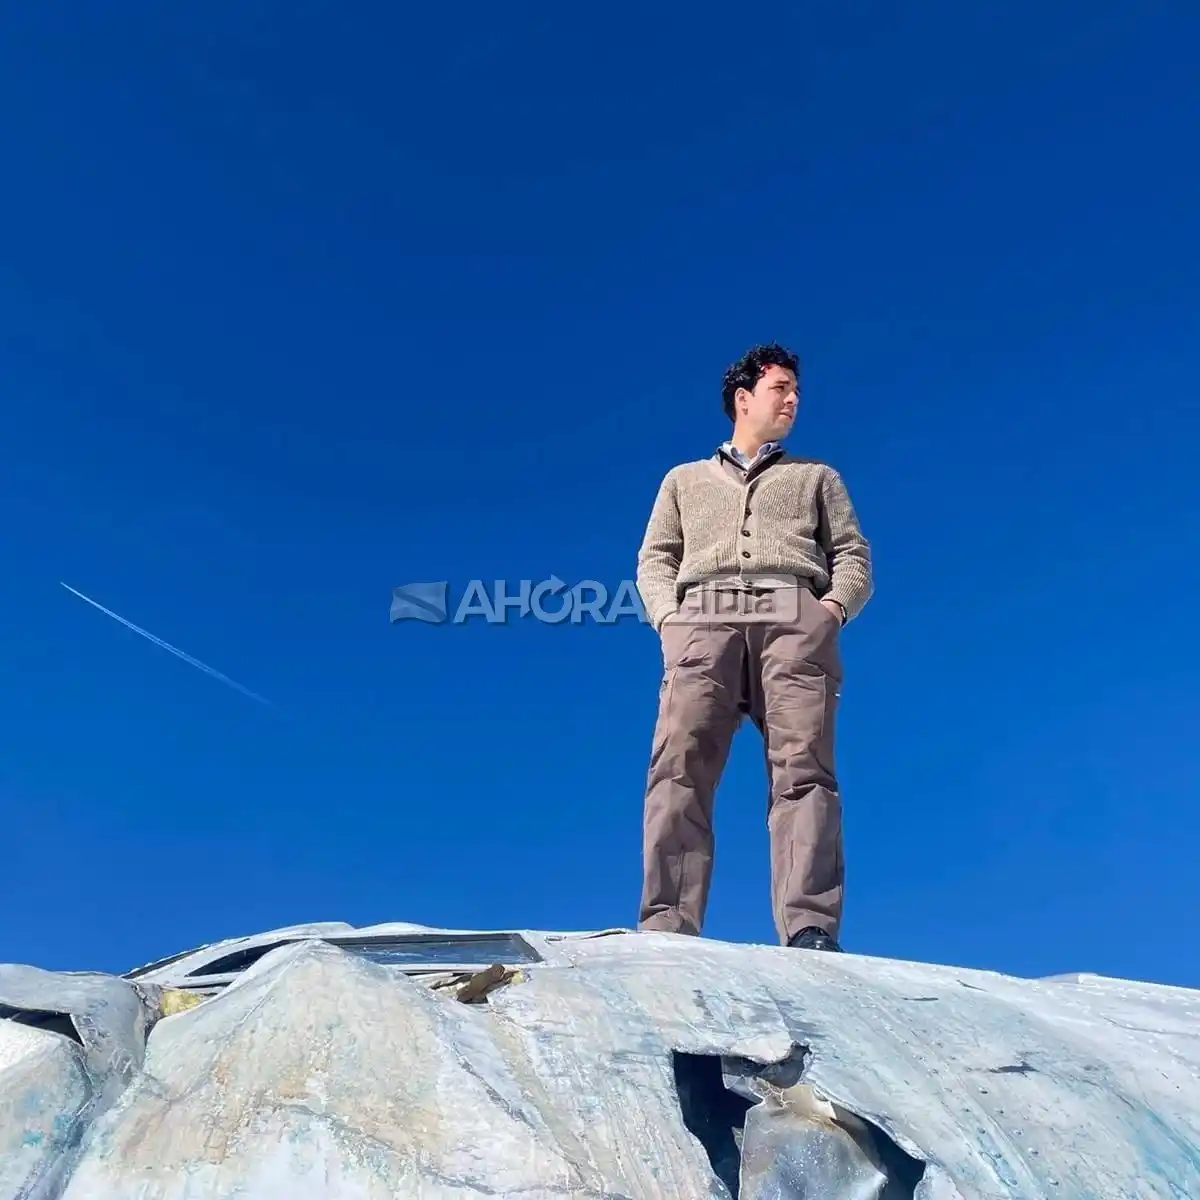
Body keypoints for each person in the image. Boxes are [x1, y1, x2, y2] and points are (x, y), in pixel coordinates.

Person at [634, 342, 873, 952]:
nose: (793, 400)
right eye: (781, 388)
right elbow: (655, 559)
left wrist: (828, 613)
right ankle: (667, 925)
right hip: (701, 618)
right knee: (679, 767)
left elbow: (853, 555)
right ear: (743, 398)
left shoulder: (818, 477)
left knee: (804, 771)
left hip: (794, 612)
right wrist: (669, 622)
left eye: (797, 391)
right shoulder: (683, 480)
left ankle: (810, 925)